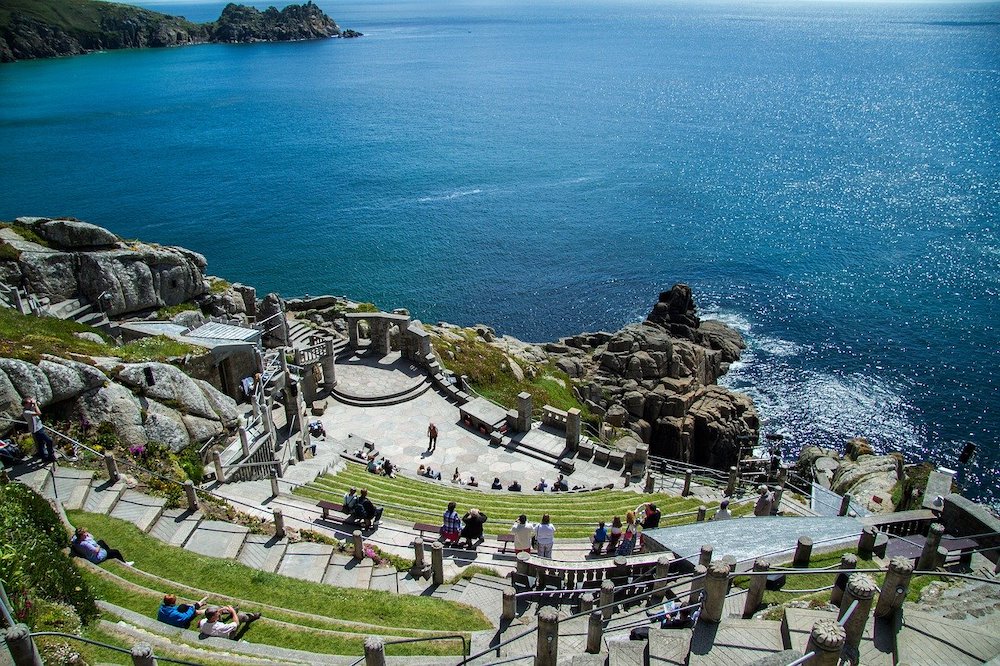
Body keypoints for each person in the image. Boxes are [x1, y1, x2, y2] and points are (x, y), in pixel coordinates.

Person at [22, 397, 55, 463]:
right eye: (29, 403)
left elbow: (35, 407)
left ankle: (44, 458)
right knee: (49, 441)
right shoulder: (26, 412)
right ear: (25, 404)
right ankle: (50, 456)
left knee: (41, 444)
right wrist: (35, 404)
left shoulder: (29, 408)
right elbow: (39, 413)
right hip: (37, 430)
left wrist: (34, 402)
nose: (31, 404)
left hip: (39, 428)